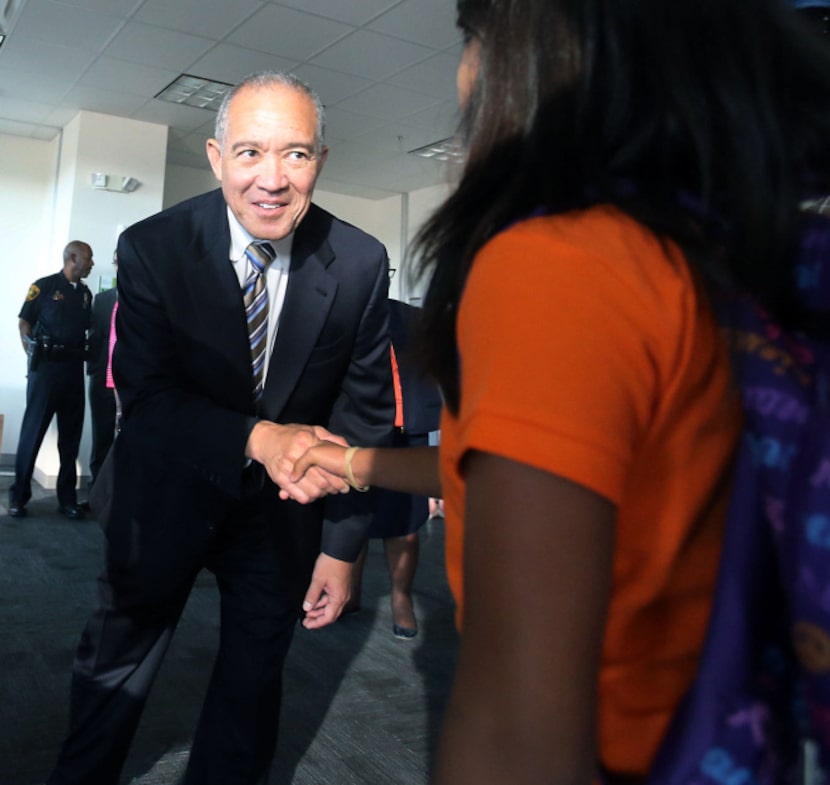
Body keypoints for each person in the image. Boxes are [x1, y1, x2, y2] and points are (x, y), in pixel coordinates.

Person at [288, 1, 830, 783]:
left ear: (545, 51)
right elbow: (538, 481)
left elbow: (518, 732)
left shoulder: (557, 270)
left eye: (473, 39)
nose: (465, 74)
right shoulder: (704, 253)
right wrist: (350, 462)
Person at [46, 71, 394, 785]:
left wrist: (343, 547)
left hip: (279, 520)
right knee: (114, 670)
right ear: (215, 156)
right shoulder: (152, 248)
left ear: (320, 161)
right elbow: (148, 399)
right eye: (250, 152)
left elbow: (363, 415)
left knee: (250, 689)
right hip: (161, 498)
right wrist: (258, 438)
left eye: (296, 154)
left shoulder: (360, 262)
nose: (272, 178)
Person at [345, 299, 442, 639]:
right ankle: (347, 593)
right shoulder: (342, 310)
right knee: (350, 520)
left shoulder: (414, 318)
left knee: (403, 526)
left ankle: (402, 599)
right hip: (354, 434)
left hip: (407, 433)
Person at [8, 240, 94, 520]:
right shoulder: (43, 286)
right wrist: (31, 355)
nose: (91, 263)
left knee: (70, 438)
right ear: (72, 258)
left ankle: (67, 500)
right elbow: (24, 323)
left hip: (72, 372)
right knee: (32, 435)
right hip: (45, 372)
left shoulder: (84, 294)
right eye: (87, 258)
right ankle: (18, 497)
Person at [85, 250, 118, 494]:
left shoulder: (146, 298)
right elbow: (95, 339)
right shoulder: (102, 299)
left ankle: (122, 495)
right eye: (118, 261)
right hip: (102, 381)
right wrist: (94, 372)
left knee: (131, 441)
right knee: (101, 437)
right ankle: (97, 491)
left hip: (130, 385)